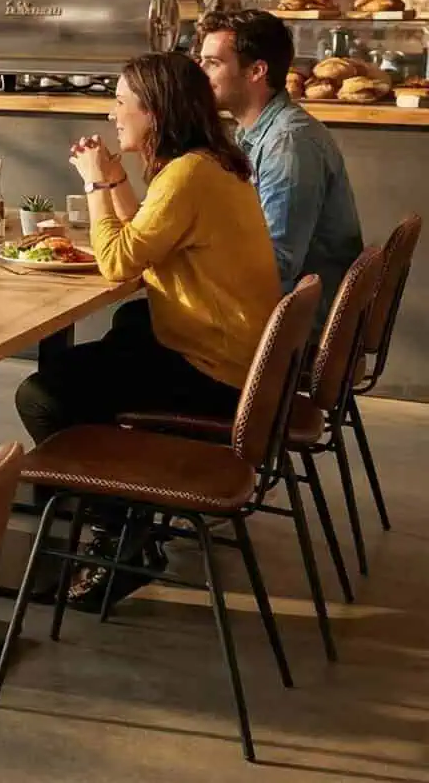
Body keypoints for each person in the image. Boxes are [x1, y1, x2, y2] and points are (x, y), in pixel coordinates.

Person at [16, 52, 279, 605]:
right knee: (128, 324)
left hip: (217, 375)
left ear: (154, 112)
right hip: (238, 359)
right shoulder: (206, 165)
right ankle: (111, 497)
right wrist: (114, 177)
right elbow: (145, 241)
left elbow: (118, 261)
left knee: (42, 393)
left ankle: (119, 534)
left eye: (120, 102)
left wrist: (94, 186)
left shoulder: (188, 175)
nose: (112, 114)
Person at [195, 9, 363, 308]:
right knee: (137, 320)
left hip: (295, 326)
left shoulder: (287, 143)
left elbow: (278, 265)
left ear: (256, 71)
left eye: (213, 63)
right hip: (283, 310)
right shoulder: (253, 133)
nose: (200, 72)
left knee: (142, 324)